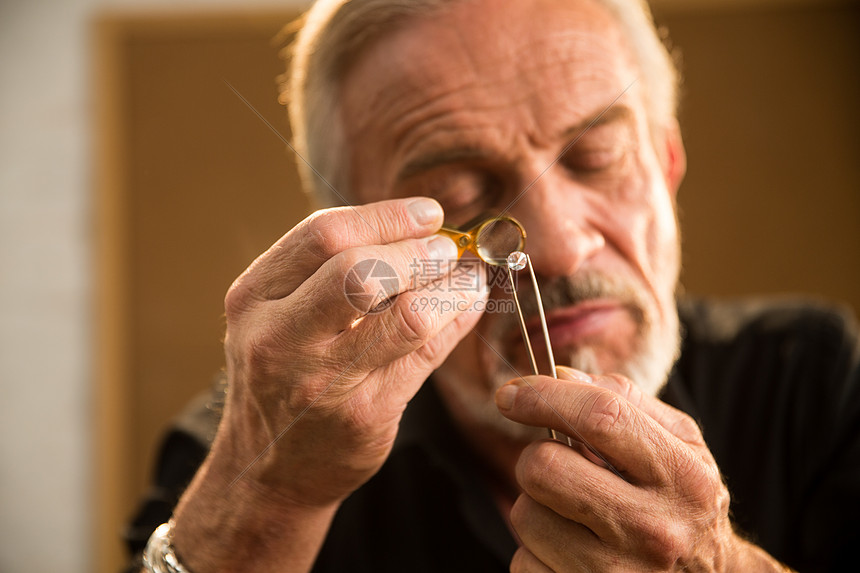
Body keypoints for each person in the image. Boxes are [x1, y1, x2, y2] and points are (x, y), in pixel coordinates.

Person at [126, 0, 860, 571]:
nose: (561, 247)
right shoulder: (258, 440)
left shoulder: (811, 378)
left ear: (666, 166)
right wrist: (267, 496)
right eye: (460, 195)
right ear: (366, 239)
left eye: (596, 157)